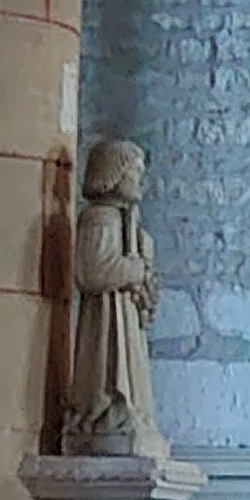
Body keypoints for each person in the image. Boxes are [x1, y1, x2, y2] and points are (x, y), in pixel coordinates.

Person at [61, 138, 163, 456]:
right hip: (105, 316)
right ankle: (104, 412)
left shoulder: (128, 222)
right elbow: (92, 272)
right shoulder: (100, 218)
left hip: (125, 313)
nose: (140, 181)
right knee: (106, 367)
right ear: (113, 174)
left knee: (130, 368)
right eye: (134, 172)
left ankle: (126, 412)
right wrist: (135, 269)